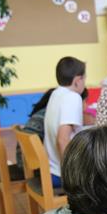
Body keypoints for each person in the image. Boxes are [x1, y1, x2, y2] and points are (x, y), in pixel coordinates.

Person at [16, 87, 90, 170]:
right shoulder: (51, 115)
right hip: (35, 164)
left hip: (25, 159)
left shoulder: (44, 112)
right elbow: (62, 140)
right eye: (84, 101)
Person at [43, 56, 87, 188]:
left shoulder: (56, 94)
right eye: (84, 78)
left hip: (50, 169)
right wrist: (73, 177)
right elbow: (62, 140)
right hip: (60, 173)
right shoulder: (73, 97)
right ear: (77, 80)